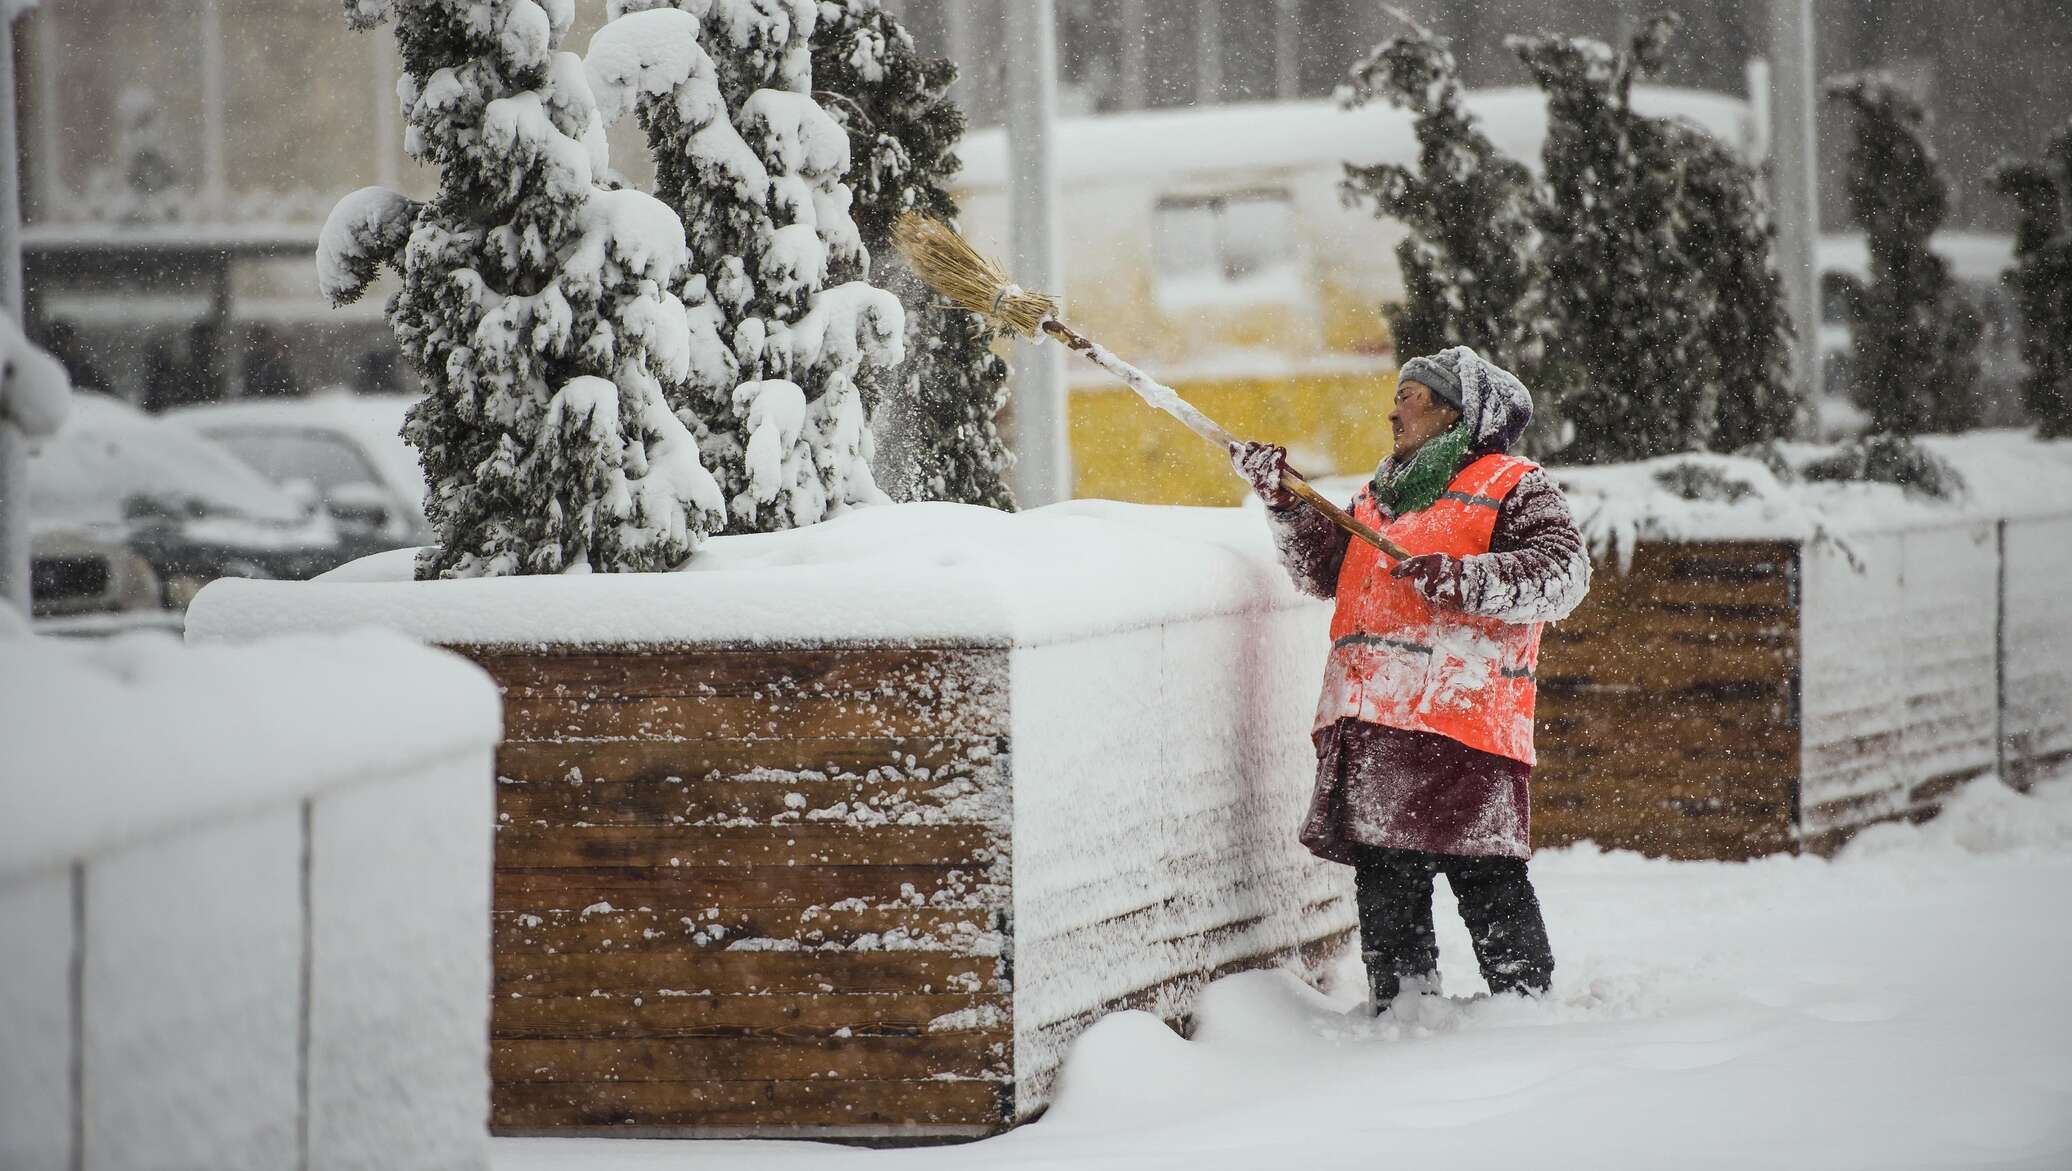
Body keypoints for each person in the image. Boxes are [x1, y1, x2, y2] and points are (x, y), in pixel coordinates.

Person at [1232, 345, 1591, 1014]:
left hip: (1465, 726)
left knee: (1487, 877)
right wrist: (1285, 502)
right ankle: (1403, 1014)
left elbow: (1563, 574)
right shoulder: (1378, 495)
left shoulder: (1511, 483)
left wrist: (1463, 578)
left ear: (1455, 410)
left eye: (1410, 396)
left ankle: (1527, 1010)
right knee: (1387, 882)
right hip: (1374, 724)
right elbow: (1322, 572)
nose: (1393, 408)